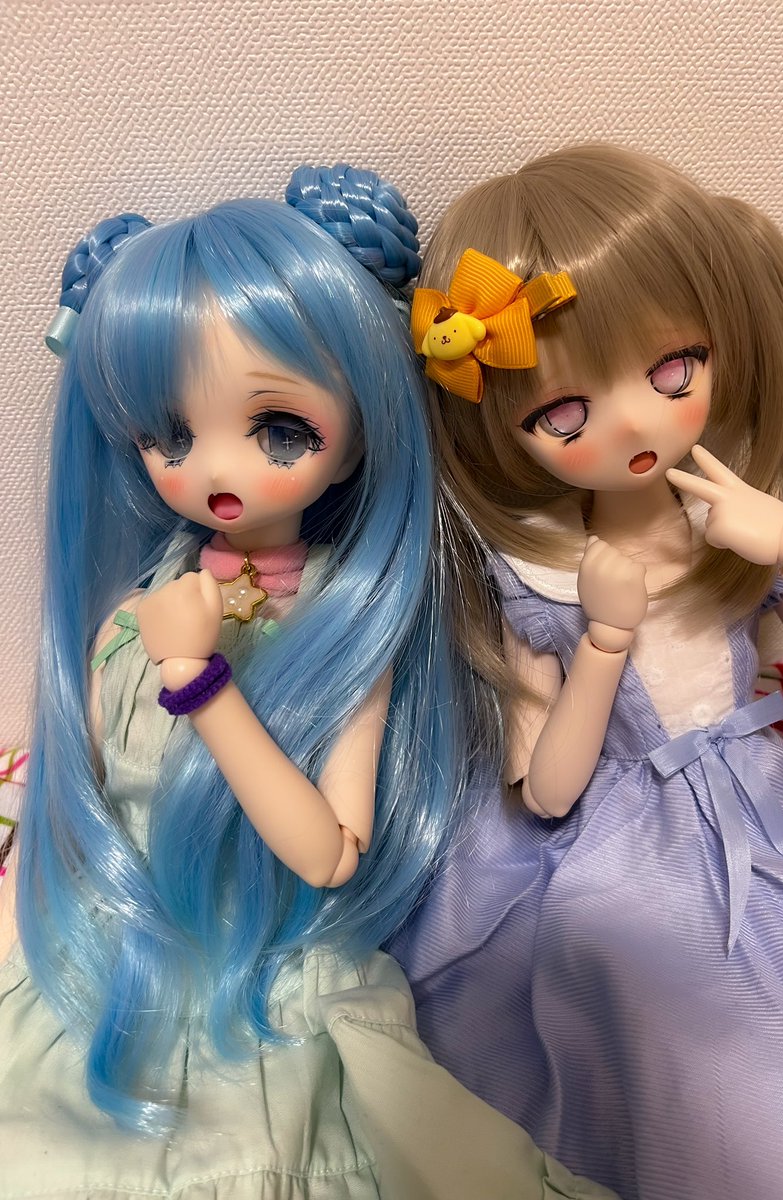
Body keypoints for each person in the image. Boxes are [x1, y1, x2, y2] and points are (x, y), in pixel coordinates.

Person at [0, 165, 615, 1200]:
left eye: (279, 429)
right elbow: (67, 812)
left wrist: (203, 685)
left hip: (271, 985)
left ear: (361, 429)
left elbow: (329, 853)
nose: (214, 473)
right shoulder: (123, 624)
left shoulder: (346, 623)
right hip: (110, 965)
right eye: (169, 436)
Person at [390, 142, 783, 1200]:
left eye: (673, 371)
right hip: (613, 852)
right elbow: (546, 793)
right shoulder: (532, 576)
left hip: (771, 811)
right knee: (707, 1074)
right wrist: (603, 644)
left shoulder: (743, 525)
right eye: (562, 413)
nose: (632, 422)